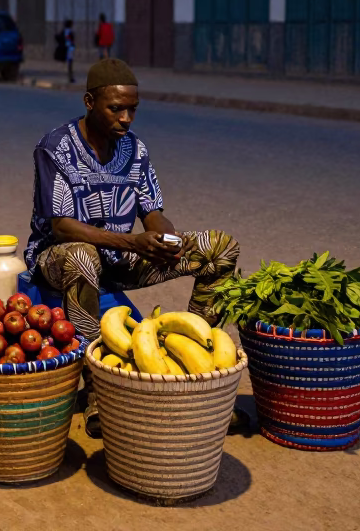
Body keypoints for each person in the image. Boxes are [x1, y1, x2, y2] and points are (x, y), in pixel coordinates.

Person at [24, 58, 245, 436]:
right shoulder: (55, 147)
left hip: (119, 256)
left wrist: (166, 240)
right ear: (89, 102)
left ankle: (195, 366)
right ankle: (96, 389)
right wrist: (133, 242)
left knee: (219, 248)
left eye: (132, 110)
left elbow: (153, 212)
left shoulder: (135, 150)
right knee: (82, 257)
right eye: (116, 108)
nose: (126, 118)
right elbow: (61, 227)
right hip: (60, 257)